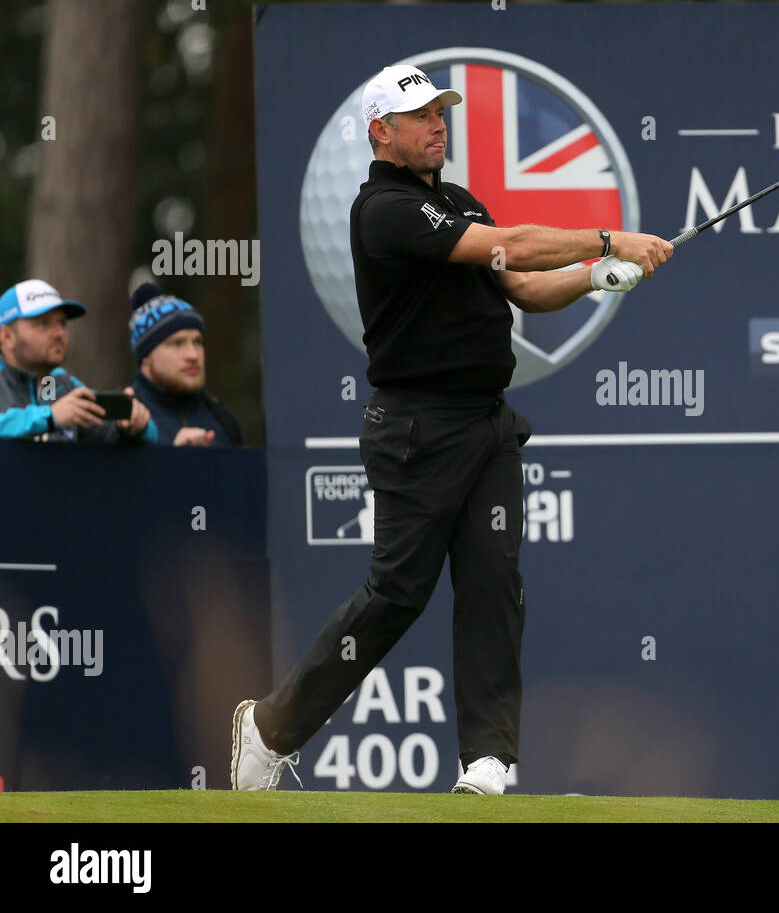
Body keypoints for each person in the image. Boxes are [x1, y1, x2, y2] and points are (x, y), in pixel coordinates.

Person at [231, 62, 673, 794]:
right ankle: (272, 727)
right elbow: (514, 249)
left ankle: (487, 760)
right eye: (421, 116)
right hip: (415, 427)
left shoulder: (457, 199)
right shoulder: (384, 211)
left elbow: (524, 286)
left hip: (486, 423)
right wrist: (606, 241)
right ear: (382, 133)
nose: (438, 124)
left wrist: (596, 278)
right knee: (398, 595)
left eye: (442, 111)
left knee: (494, 581)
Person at [0, 279, 156, 445]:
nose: (59, 333)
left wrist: (133, 424)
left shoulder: (57, 382)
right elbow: (49, 416)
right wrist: (50, 417)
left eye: (62, 323)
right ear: (7, 337)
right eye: (43, 323)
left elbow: (152, 434)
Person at [127, 282, 244, 447]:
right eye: (177, 343)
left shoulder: (223, 419)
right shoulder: (126, 421)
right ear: (145, 356)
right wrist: (177, 460)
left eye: (197, 342)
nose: (193, 355)